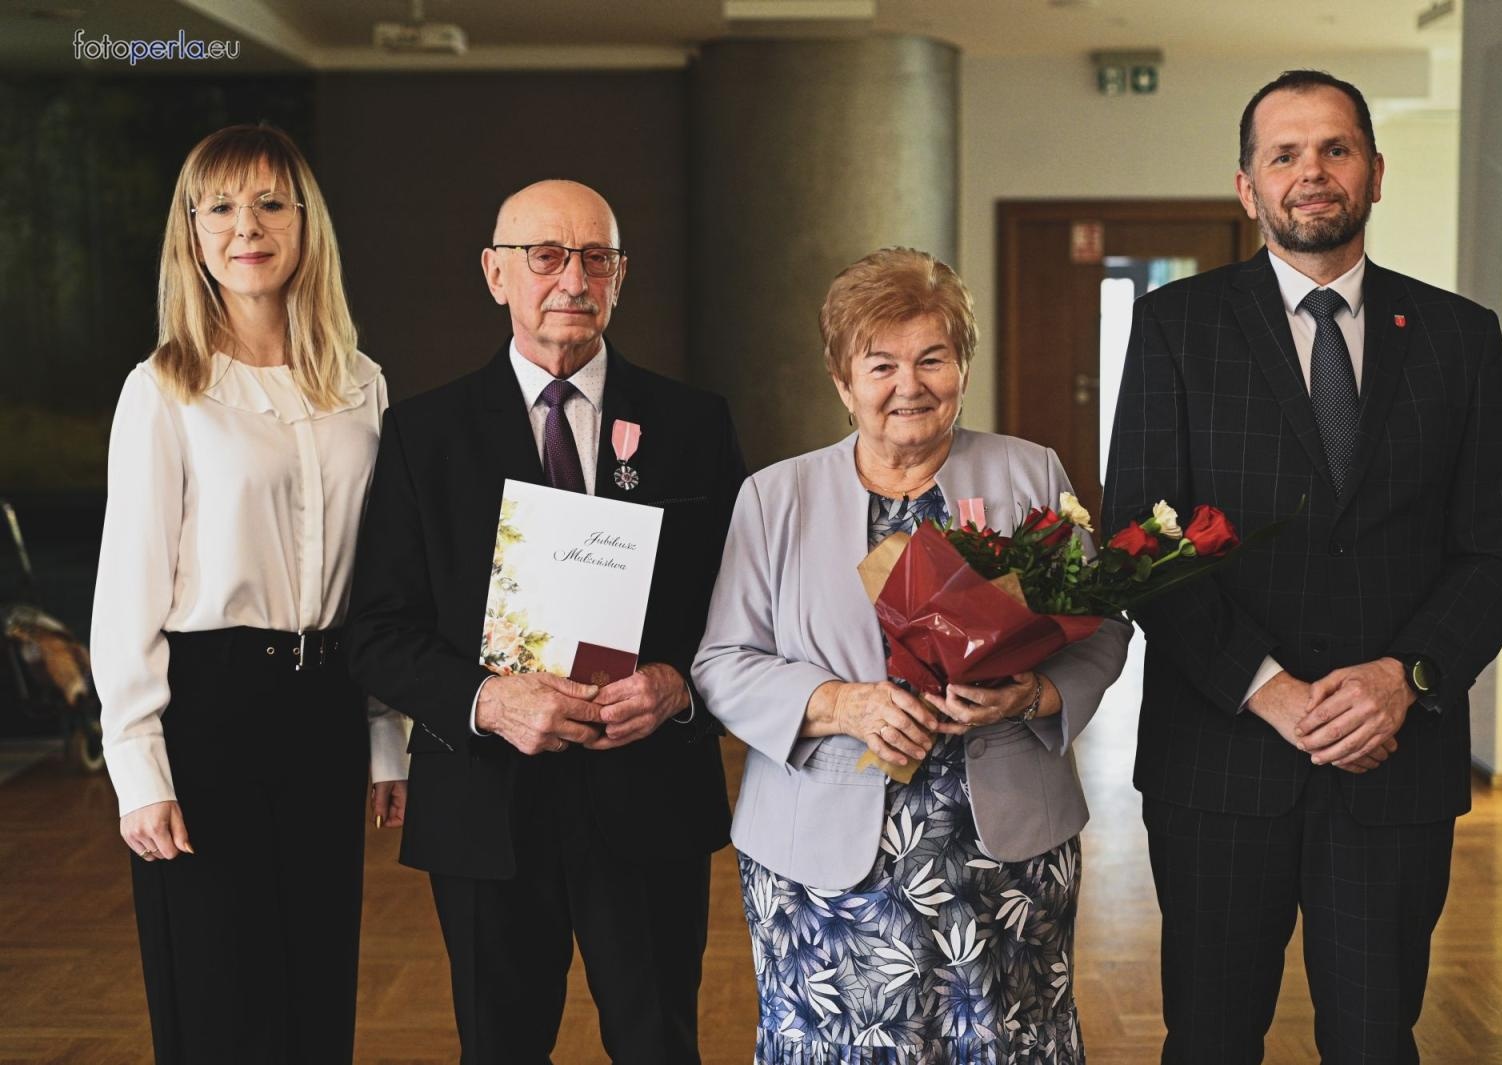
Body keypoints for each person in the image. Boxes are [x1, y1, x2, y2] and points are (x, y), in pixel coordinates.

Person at [1103, 70, 1502, 1064]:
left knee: (1376, 1038)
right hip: (1218, 761)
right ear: (1245, 187)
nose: (1312, 173)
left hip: (1394, 763)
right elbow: (1141, 537)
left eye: (1334, 149)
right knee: (1209, 1038)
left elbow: (1495, 553)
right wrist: (1266, 689)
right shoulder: (1179, 330)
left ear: (1375, 173)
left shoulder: (1458, 339)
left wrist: (1405, 679)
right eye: (1284, 154)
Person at [693, 247, 1132, 1063]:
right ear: (841, 379)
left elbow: (1103, 625)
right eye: (882, 363)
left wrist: (1032, 693)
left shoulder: (1029, 472)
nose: (910, 384)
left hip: (1003, 853)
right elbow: (722, 659)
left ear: (963, 364)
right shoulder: (775, 497)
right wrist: (840, 702)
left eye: (933, 357)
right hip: (822, 866)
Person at [345, 179, 745, 1065]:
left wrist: (679, 686)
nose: (572, 278)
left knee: (659, 1043)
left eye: (594, 257)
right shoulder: (422, 433)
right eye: (546, 256)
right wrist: (486, 699)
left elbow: (743, 609)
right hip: (486, 804)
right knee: (500, 1047)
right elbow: (376, 629)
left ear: (621, 275)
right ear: (496, 274)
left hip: (648, 796)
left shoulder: (693, 423)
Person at [90, 124, 408, 1064]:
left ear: (306, 225)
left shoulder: (363, 387)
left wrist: (384, 735)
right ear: (191, 232)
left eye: (270, 202)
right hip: (207, 710)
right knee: (221, 995)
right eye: (221, 205)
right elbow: (127, 591)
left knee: (317, 985)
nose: (247, 226)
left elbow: (383, 574)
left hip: (325, 703)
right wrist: (138, 769)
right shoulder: (163, 390)